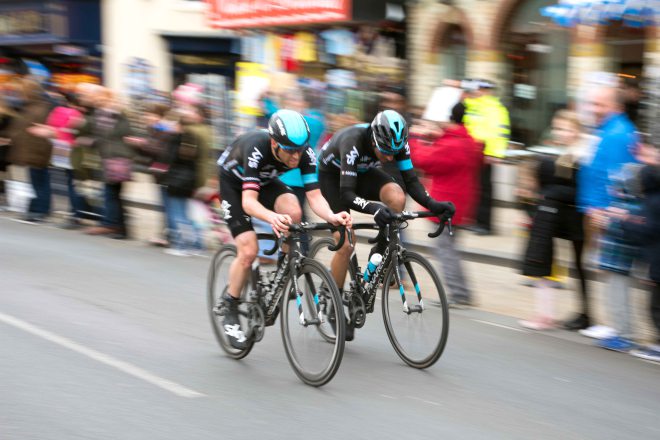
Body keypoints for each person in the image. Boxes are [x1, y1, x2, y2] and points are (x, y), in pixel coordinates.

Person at [217, 109, 352, 349]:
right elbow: (249, 203)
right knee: (249, 251)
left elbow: (314, 196)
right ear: (274, 143)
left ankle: (283, 271)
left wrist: (332, 216)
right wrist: (272, 217)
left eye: (300, 150)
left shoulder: (304, 152)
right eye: (290, 150)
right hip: (234, 186)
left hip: (265, 181)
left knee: (294, 211)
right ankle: (231, 305)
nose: (296, 156)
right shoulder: (256, 148)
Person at [317, 109, 455, 339]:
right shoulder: (353, 142)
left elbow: (412, 182)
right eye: (385, 152)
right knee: (346, 243)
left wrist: (434, 204)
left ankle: (379, 251)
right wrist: (374, 208)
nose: (390, 158)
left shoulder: (397, 144)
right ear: (373, 139)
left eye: (394, 153)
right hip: (333, 178)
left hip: (362, 172)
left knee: (397, 196)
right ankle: (333, 302)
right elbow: (347, 194)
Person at [519, 110, 590, 330]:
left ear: (577, 130)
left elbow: (578, 191)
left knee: (579, 266)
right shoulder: (568, 152)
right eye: (558, 129)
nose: (561, 133)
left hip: (579, 219)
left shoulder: (582, 154)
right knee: (568, 264)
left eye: (566, 129)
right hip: (567, 217)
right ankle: (576, 313)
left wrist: (549, 193)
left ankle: (585, 314)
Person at [575, 85, 638, 330]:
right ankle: (613, 324)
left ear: (615, 105)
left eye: (599, 104)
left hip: (603, 213)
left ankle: (620, 327)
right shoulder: (604, 130)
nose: (593, 109)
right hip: (595, 209)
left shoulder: (617, 133)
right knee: (604, 268)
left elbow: (615, 177)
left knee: (612, 270)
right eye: (592, 103)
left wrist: (602, 209)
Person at [409, 103, 482, 307]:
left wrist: (415, 138)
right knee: (450, 248)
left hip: (445, 204)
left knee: (445, 250)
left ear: (449, 120)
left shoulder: (452, 145)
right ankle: (462, 292)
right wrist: (435, 136)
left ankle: (459, 294)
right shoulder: (466, 140)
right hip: (460, 202)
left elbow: (423, 160)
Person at [463, 80, 510, 236]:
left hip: (485, 153)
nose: (479, 92)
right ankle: (473, 220)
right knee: (472, 187)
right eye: (478, 89)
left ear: (488, 91)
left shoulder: (495, 108)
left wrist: (494, 153)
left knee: (484, 190)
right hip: (470, 152)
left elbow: (500, 133)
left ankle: (484, 224)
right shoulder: (472, 105)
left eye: (482, 89)